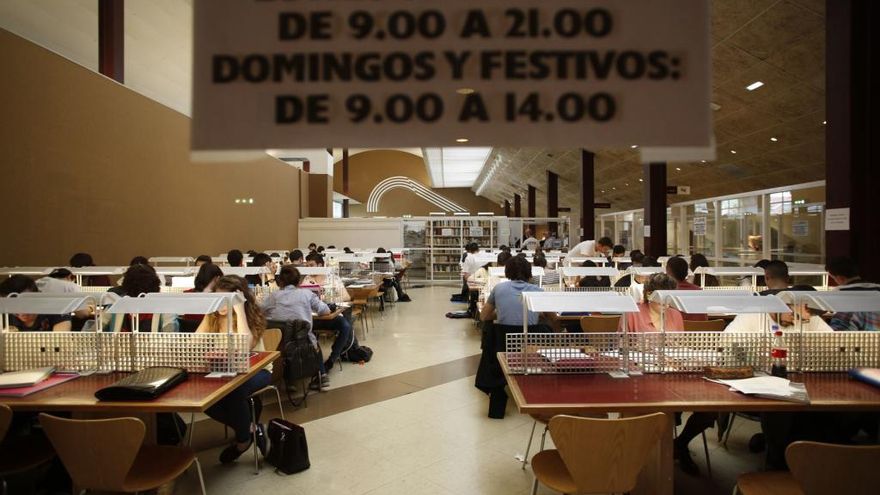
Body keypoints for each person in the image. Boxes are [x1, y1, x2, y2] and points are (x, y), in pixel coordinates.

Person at [197, 275, 271, 463]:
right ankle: (250, 429)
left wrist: (239, 311)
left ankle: (242, 441)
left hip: (256, 370)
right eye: (218, 298)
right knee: (204, 398)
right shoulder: (212, 316)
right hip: (223, 371)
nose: (221, 305)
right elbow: (195, 341)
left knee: (234, 391)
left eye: (226, 300)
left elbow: (245, 346)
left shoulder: (251, 317)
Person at [476, 255, 546, 418]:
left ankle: (497, 395)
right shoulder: (538, 291)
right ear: (529, 272)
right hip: (531, 344)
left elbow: (484, 316)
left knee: (489, 328)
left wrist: (501, 313)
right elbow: (547, 315)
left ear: (507, 271)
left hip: (502, 344)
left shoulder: (499, 289)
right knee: (545, 328)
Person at [260, 265, 333, 390]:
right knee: (313, 339)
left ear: (280, 281)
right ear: (298, 281)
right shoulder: (306, 294)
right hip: (303, 341)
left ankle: (290, 381)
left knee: (289, 345)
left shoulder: (273, 297)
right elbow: (325, 310)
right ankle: (322, 375)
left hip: (279, 343)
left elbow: (259, 311)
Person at [111, 264, 178, 332]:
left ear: (125, 286)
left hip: (121, 342)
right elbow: (170, 335)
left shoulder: (116, 305)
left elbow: (101, 324)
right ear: (156, 285)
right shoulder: (167, 309)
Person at [825, 256, 880, 331]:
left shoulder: (839, 291)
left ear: (840, 278)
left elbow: (828, 309)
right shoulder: (877, 287)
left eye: (833, 278)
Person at [0, 275, 72, 331]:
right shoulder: (4, 316)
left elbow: (60, 341)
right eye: (14, 306)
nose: (21, 312)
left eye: (26, 304)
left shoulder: (57, 310)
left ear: (38, 296)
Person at [666, 256, 707, 321]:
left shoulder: (668, 293)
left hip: (679, 329)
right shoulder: (699, 290)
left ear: (669, 272)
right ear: (687, 272)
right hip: (700, 329)